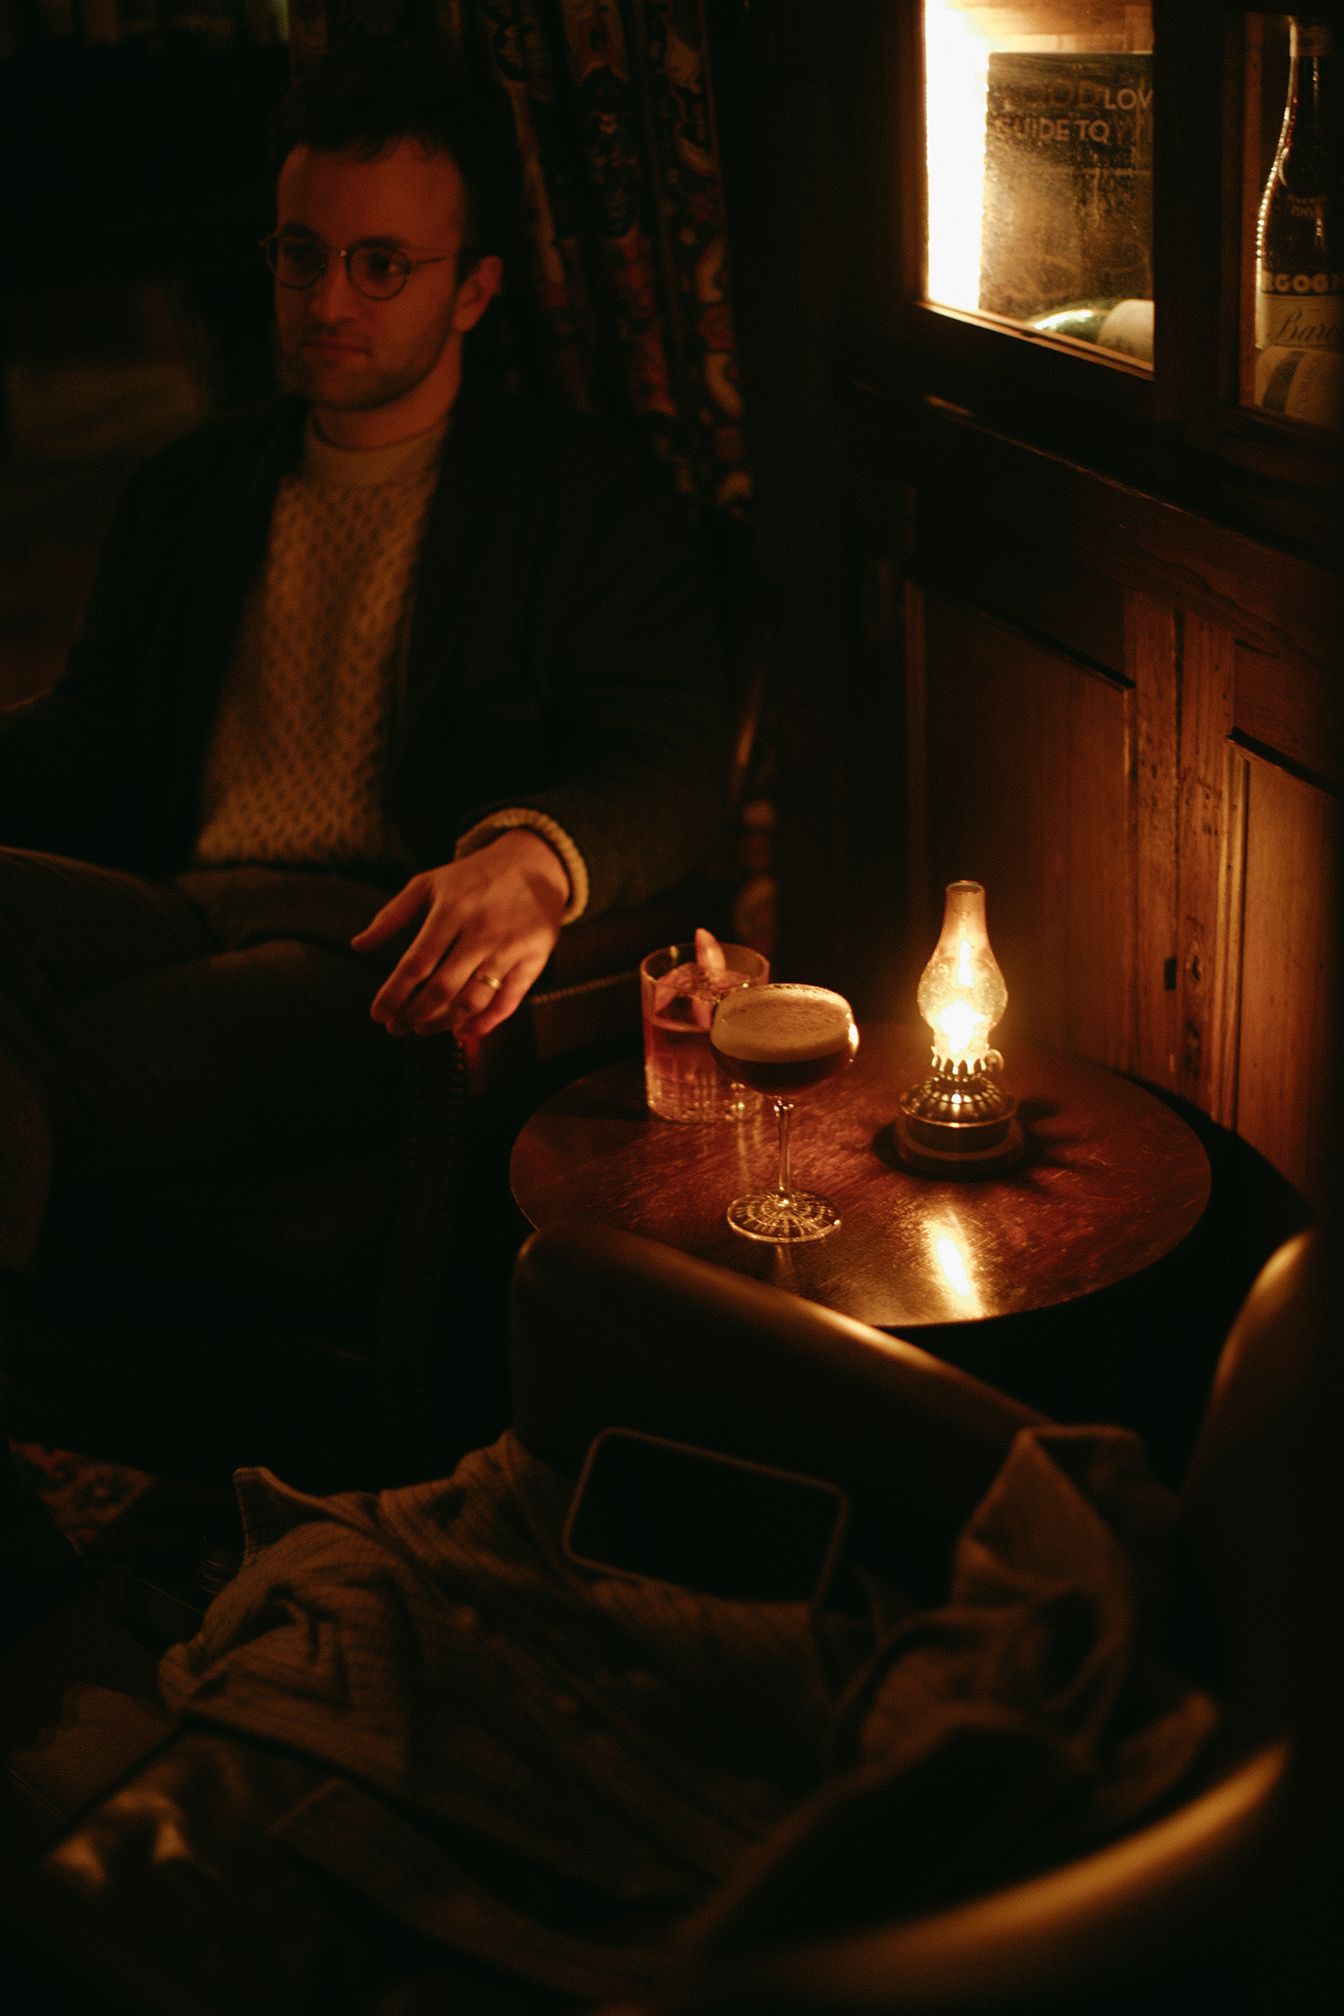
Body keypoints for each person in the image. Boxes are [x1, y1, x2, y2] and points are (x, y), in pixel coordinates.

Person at [0, 54, 727, 1602]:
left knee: (43, 1062)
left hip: (368, 947)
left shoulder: (570, 498)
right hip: (175, 903)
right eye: (301, 253)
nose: (330, 298)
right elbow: (85, 742)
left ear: (470, 292)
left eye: (380, 264)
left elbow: (665, 764)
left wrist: (531, 859)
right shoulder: (195, 485)